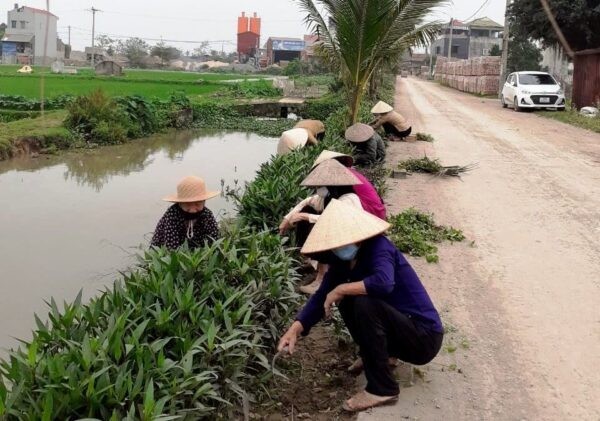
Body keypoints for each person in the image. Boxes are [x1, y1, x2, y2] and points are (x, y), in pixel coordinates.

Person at [277, 200, 444, 413]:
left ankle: (382, 388)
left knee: (363, 302)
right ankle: (381, 356)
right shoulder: (343, 262)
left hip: (424, 338)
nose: (337, 249)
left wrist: (341, 290)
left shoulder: (379, 247)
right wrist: (295, 329)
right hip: (402, 333)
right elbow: (321, 297)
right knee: (347, 299)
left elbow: (384, 283)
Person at [279, 159, 363, 294]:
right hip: (338, 243)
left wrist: (305, 217)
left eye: (320, 186)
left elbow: (335, 220)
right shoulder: (329, 196)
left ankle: (322, 277)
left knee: (319, 225)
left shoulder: (349, 198)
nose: (318, 189)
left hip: (349, 248)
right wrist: (287, 219)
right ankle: (314, 262)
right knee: (307, 210)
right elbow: (308, 202)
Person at [312, 150, 386, 220]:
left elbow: (340, 214)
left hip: (372, 215)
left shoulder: (345, 181)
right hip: (376, 211)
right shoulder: (344, 174)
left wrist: (307, 216)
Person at [151, 175, 220, 250]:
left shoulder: (207, 214)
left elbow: (215, 239)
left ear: (204, 202)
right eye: (188, 204)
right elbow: (171, 248)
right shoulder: (172, 215)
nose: (193, 210)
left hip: (195, 252)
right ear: (180, 203)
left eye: (198, 204)